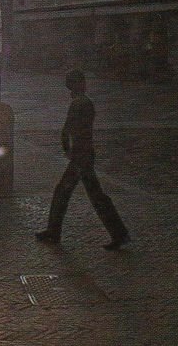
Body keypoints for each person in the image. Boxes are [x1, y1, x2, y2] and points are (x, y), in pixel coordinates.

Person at [36, 69, 130, 251]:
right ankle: (119, 233)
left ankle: (54, 231)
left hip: (81, 156)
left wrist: (68, 149)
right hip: (84, 154)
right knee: (94, 195)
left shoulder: (80, 104)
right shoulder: (83, 102)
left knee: (65, 192)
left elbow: (68, 130)